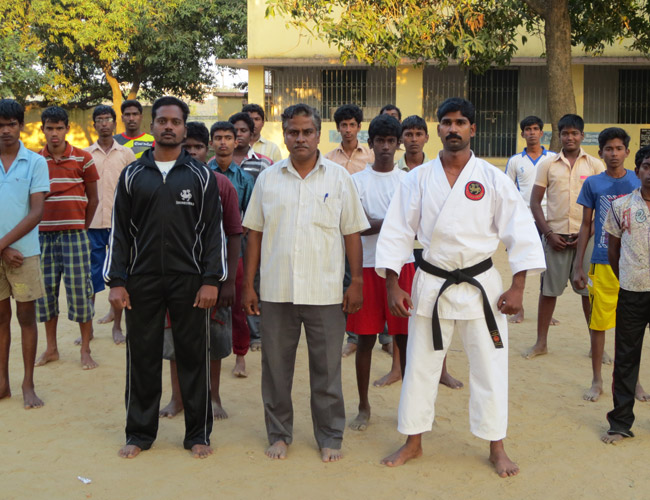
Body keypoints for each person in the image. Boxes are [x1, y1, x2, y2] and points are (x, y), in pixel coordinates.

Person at [376, 98, 545, 477]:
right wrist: (392, 283)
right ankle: (414, 441)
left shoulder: (492, 178)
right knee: (420, 366)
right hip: (432, 282)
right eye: (447, 123)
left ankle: (496, 446)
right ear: (439, 130)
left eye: (461, 122)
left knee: (490, 367)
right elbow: (398, 231)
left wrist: (518, 287)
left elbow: (519, 231)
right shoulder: (417, 179)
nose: (453, 129)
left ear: (472, 129)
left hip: (481, 287)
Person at [241, 103, 369, 462]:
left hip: (325, 291)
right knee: (276, 369)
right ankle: (279, 434)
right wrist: (249, 285)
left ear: (317, 134)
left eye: (307, 132)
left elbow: (352, 234)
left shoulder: (339, 178)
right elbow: (254, 234)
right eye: (293, 132)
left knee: (327, 370)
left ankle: (330, 436)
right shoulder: (267, 178)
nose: (300, 138)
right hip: (277, 291)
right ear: (284, 135)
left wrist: (356, 281)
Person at [106, 96, 227, 459]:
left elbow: (213, 233)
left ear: (184, 128)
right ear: (152, 125)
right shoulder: (132, 175)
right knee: (141, 355)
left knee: (193, 356)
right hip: (141, 278)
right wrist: (116, 281)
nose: (169, 126)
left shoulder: (202, 176)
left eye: (176, 121)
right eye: (162, 120)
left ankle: (197, 434)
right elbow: (119, 232)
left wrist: (211, 279)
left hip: (189, 280)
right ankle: (139, 433)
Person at [159, 122, 241, 421]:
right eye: (187, 147)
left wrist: (229, 280)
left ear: (207, 150)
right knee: (174, 341)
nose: (192, 152)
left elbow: (234, 233)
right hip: (173, 277)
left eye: (197, 147)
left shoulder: (221, 185)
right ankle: (176, 398)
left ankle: (212, 397)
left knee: (213, 342)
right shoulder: (164, 182)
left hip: (212, 278)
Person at [376, 114, 462, 391]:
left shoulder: (441, 169)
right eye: (408, 135)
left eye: (418, 134)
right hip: (404, 252)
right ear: (402, 139)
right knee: (404, 311)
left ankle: (442, 369)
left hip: (434, 252)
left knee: (441, 308)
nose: (413, 139)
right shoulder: (395, 172)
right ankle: (397, 368)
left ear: (427, 136)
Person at [346, 113, 414, 432]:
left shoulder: (407, 181)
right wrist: (392, 224)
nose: (385, 147)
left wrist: (378, 224)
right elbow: (356, 227)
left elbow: (412, 227)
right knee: (365, 340)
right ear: (370, 144)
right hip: (367, 268)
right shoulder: (356, 182)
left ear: (398, 144)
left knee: (405, 338)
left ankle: (408, 406)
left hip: (402, 268)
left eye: (391, 141)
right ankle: (363, 406)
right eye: (380, 141)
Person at [572, 128, 648, 402]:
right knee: (599, 323)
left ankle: (634, 381)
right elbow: (585, 225)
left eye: (619, 148)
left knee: (631, 328)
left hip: (634, 266)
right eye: (608, 149)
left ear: (628, 152)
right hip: (602, 262)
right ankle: (597, 380)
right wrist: (579, 265)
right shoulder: (593, 184)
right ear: (600, 152)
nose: (614, 154)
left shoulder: (637, 180)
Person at [524, 114, 605, 359]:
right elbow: (535, 203)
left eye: (574, 133)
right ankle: (541, 343)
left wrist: (587, 234)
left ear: (582, 135)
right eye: (565, 133)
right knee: (548, 292)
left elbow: (602, 207)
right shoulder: (547, 165)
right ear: (558, 136)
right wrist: (548, 234)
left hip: (586, 239)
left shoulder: (594, 165)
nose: (569, 137)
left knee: (589, 293)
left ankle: (596, 347)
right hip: (555, 239)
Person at [35, 106, 99, 370]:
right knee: (46, 294)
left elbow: (94, 199)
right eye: (49, 128)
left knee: (80, 292)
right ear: (43, 130)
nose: (54, 133)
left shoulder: (83, 158)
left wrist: (81, 227)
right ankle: (51, 349)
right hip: (42, 238)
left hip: (75, 236)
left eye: (59, 128)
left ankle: (85, 348)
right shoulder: (36, 161)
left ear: (67, 129)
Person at [0, 99, 49, 409]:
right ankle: (2, 381)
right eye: (0, 125)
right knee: (0, 318)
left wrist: (3, 246)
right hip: (5, 253)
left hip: (25, 255)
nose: (5, 130)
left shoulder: (34, 162)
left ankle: (27, 382)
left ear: (21, 126)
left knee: (26, 317)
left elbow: (36, 212)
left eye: (11, 124)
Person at [601, 145, 650, 444]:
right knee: (626, 357)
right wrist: (627, 278)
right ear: (638, 170)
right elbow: (614, 250)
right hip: (632, 291)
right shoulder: (621, 206)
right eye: (646, 166)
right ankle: (620, 423)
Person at [324, 104, 380, 358]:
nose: (348, 130)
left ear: (360, 127)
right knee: (344, 281)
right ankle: (353, 337)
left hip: (366, 230)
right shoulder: (327, 159)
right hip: (336, 230)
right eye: (343, 125)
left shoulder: (370, 157)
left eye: (352, 125)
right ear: (338, 129)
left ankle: (386, 337)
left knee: (373, 280)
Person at [84, 105, 136, 345]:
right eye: (99, 119)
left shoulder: (126, 154)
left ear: (115, 124)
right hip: (92, 223)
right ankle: (87, 330)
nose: (104, 123)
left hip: (119, 225)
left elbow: (133, 190)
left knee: (119, 275)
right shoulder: (85, 154)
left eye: (108, 119)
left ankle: (117, 325)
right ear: (93, 124)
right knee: (91, 276)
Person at [207, 122, 254, 377]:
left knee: (236, 304)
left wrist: (237, 231)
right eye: (218, 138)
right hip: (207, 249)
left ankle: (240, 356)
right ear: (211, 143)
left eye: (228, 137)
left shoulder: (245, 179)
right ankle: (208, 354)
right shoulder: (202, 174)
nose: (223, 142)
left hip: (236, 246)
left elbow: (251, 215)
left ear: (237, 142)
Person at [504, 115, 557, 324]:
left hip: (549, 218)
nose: (532, 133)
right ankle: (520, 308)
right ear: (522, 134)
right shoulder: (515, 161)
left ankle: (547, 313)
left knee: (549, 266)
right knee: (521, 264)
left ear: (541, 133)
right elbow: (507, 191)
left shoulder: (552, 158)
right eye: (528, 129)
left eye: (536, 129)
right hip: (524, 219)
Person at [228, 111, 272, 352]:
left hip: (252, 233)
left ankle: (255, 334)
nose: (238, 135)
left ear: (251, 134)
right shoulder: (215, 164)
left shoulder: (263, 163)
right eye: (234, 131)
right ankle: (231, 332)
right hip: (224, 236)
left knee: (252, 280)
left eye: (243, 131)